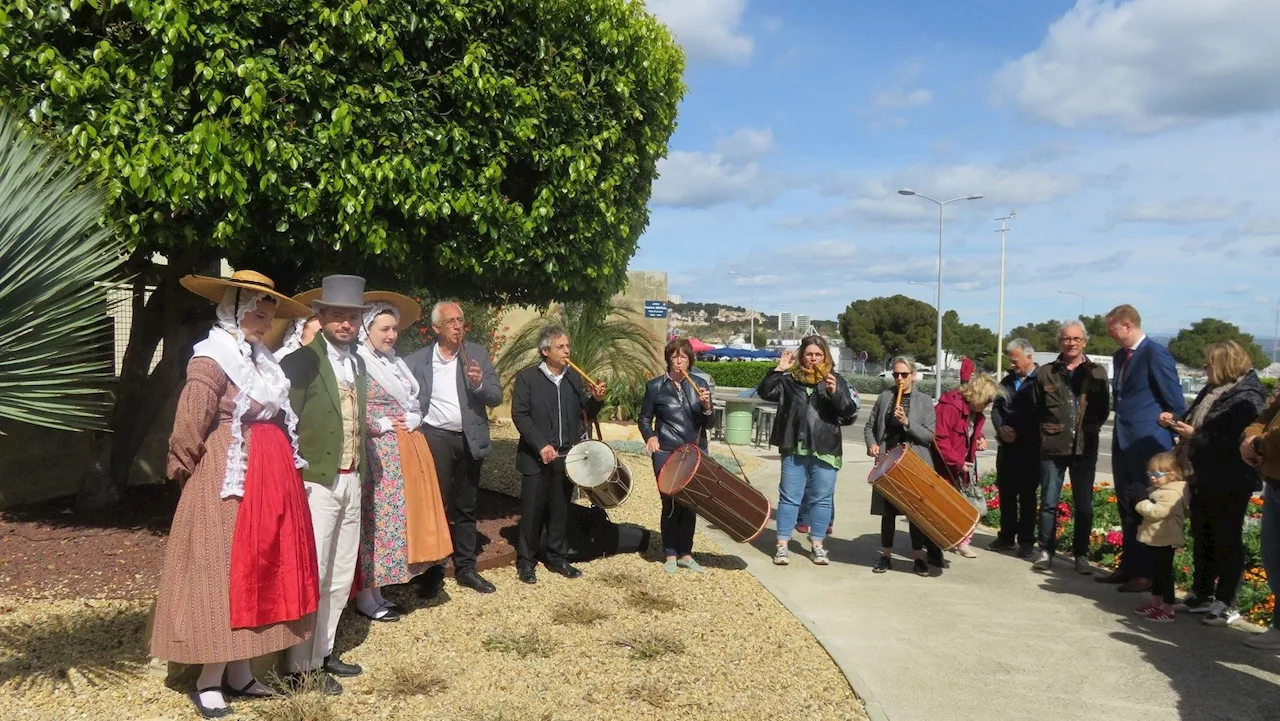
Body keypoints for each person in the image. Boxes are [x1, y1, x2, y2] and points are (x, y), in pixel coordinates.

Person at [151, 271, 317, 718]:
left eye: (268, 315)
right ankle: (208, 679)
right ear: (234, 310)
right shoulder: (212, 358)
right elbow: (190, 423)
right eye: (257, 314)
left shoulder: (261, 360)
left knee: (258, 568)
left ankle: (241, 671)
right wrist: (186, 472)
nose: (265, 323)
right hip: (228, 474)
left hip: (270, 475)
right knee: (224, 570)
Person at [279, 275, 372, 694]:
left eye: (352, 317)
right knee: (313, 571)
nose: (346, 324)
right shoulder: (299, 362)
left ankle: (324, 650)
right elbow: (284, 423)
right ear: (320, 316)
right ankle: (300, 667)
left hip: (353, 478)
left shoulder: (359, 363)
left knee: (339, 572)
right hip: (316, 481)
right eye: (337, 315)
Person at [353, 293, 454, 622]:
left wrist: (414, 417)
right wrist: (377, 424)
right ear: (366, 329)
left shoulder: (393, 361)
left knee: (390, 522)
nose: (391, 335)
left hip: (400, 450)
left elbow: (410, 402)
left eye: (394, 328)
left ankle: (379, 590)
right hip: (375, 450)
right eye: (384, 328)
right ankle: (365, 595)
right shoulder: (357, 362)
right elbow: (348, 410)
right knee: (374, 522)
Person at [404, 302, 503, 595]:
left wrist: (478, 384)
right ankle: (431, 570)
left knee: (467, 505)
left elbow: (496, 396)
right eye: (451, 321)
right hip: (434, 438)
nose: (458, 326)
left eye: (461, 320)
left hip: (469, 438)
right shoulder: (417, 361)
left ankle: (466, 568)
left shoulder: (477, 355)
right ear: (436, 328)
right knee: (435, 506)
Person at [1165, 341, 1265, 626]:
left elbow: (1234, 442)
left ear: (1224, 364)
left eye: (1208, 363)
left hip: (1232, 477)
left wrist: (1194, 435)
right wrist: (1175, 422)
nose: (1204, 368)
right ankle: (1201, 592)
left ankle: (1226, 601)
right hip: (1204, 473)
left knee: (1227, 539)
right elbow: (1196, 420)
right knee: (1203, 533)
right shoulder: (1214, 389)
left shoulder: (1248, 395)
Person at [510, 325, 606, 584]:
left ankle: (556, 555)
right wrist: (541, 444)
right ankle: (526, 562)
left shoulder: (573, 378)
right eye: (560, 347)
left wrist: (596, 399)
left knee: (560, 509)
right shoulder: (528, 378)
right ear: (545, 351)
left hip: (566, 457)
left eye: (567, 346)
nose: (567, 351)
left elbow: (586, 412)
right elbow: (520, 415)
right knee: (532, 511)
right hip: (536, 457)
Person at [1101, 305, 1185, 593]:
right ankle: (1128, 567)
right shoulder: (1119, 356)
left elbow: (1174, 399)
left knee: (1146, 508)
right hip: (1123, 440)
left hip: (1148, 442)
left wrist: (1170, 418)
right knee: (1126, 504)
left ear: (1127, 325)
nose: (1110, 335)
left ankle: (1146, 574)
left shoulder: (1155, 353)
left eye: (1113, 330)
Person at [758, 335, 857, 566]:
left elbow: (848, 411)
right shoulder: (789, 380)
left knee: (822, 500)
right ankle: (782, 545)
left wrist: (835, 393)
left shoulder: (835, 379)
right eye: (809, 354)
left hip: (826, 447)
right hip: (794, 446)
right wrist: (778, 370)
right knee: (789, 498)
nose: (813, 359)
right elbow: (764, 392)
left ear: (825, 357)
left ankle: (818, 546)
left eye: (818, 355)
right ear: (802, 356)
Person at [1030, 321, 1111, 573]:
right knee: (1049, 502)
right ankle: (1045, 551)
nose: (1071, 343)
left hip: (1084, 448)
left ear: (1084, 342)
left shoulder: (1097, 372)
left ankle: (1081, 555)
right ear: (1059, 342)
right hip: (1053, 447)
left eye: (1076, 339)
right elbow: (1036, 408)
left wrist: (1090, 429)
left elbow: (1103, 408)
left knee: (1084, 505)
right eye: (1066, 339)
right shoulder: (1045, 372)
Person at [638, 338, 715, 573]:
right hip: (667, 451)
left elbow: (709, 424)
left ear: (690, 360)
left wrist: (707, 407)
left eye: (683, 356)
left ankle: (686, 553)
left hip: (694, 450)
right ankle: (670, 552)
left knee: (690, 504)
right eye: (674, 356)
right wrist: (650, 436)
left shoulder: (700, 384)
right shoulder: (655, 387)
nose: (679, 360)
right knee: (670, 503)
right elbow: (643, 418)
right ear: (669, 360)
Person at [865, 356, 941, 576]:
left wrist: (907, 422)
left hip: (913, 461)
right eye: (896, 374)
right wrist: (872, 445)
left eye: (904, 375)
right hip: (888, 460)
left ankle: (918, 557)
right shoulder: (884, 397)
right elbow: (870, 427)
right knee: (887, 512)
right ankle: (885, 556)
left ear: (913, 376)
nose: (899, 379)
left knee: (914, 512)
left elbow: (928, 436)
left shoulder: (925, 401)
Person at [932, 375, 1001, 558]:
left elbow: (970, 432)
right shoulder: (950, 407)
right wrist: (958, 462)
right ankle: (938, 545)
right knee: (944, 507)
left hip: (962, 465)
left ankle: (962, 541)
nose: (987, 406)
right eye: (986, 401)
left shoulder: (975, 412)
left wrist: (980, 439)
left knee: (968, 504)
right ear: (978, 396)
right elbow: (940, 439)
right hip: (946, 466)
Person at [990, 339, 1040, 557]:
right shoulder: (1007, 381)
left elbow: (1044, 413)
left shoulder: (1042, 380)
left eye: (1015, 360)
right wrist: (1001, 429)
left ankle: (1027, 541)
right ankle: (1007, 537)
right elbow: (996, 409)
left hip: (1031, 448)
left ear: (1029, 357)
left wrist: (1021, 430)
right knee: (1006, 493)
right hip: (1007, 447)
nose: (1012, 365)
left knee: (1027, 496)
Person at [1240, 393, 1280, 649]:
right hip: (1275, 480)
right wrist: (1251, 438)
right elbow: (1265, 416)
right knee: (1273, 558)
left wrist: (1257, 445)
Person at [1132, 452, 1189, 623]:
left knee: (1164, 574)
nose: (1153, 478)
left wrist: (1142, 504)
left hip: (1166, 538)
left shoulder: (1172, 493)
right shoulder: (1160, 490)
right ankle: (1156, 602)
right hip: (1156, 538)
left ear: (1171, 475)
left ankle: (1168, 607)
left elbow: (1158, 512)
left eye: (1157, 475)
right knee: (1156, 572)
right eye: (1150, 474)